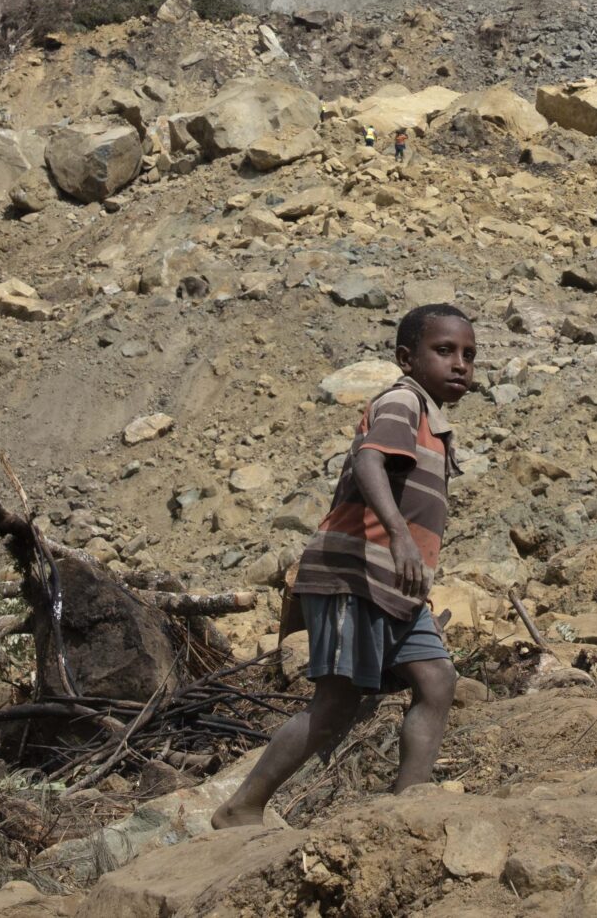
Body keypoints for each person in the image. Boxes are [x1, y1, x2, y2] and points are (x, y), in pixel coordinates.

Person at [214, 303, 475, 826]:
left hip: (396, 587)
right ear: (406, 358)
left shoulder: (432, 420)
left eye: (469, 354)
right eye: (444, 351)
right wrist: (400, 536)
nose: (460, 364)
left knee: (437, 682)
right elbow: (367, 459)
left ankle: (407, 813)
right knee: (336, 701)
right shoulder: (403, 401)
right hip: (354, 577)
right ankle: (241, 809)